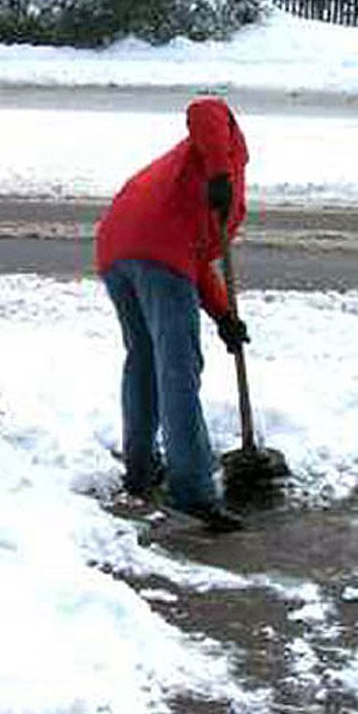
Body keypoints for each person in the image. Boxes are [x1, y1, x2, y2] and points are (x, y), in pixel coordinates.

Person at [94, 97, 250, 533]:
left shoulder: (184, 175)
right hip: (157, 253)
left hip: (118, 250)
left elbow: (196, 262)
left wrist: (223, 318)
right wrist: (221, 170)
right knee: (178, 370)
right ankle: (193, 491)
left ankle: (141, 470)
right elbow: (205, 107)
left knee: (143, 361)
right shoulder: (223, 152)